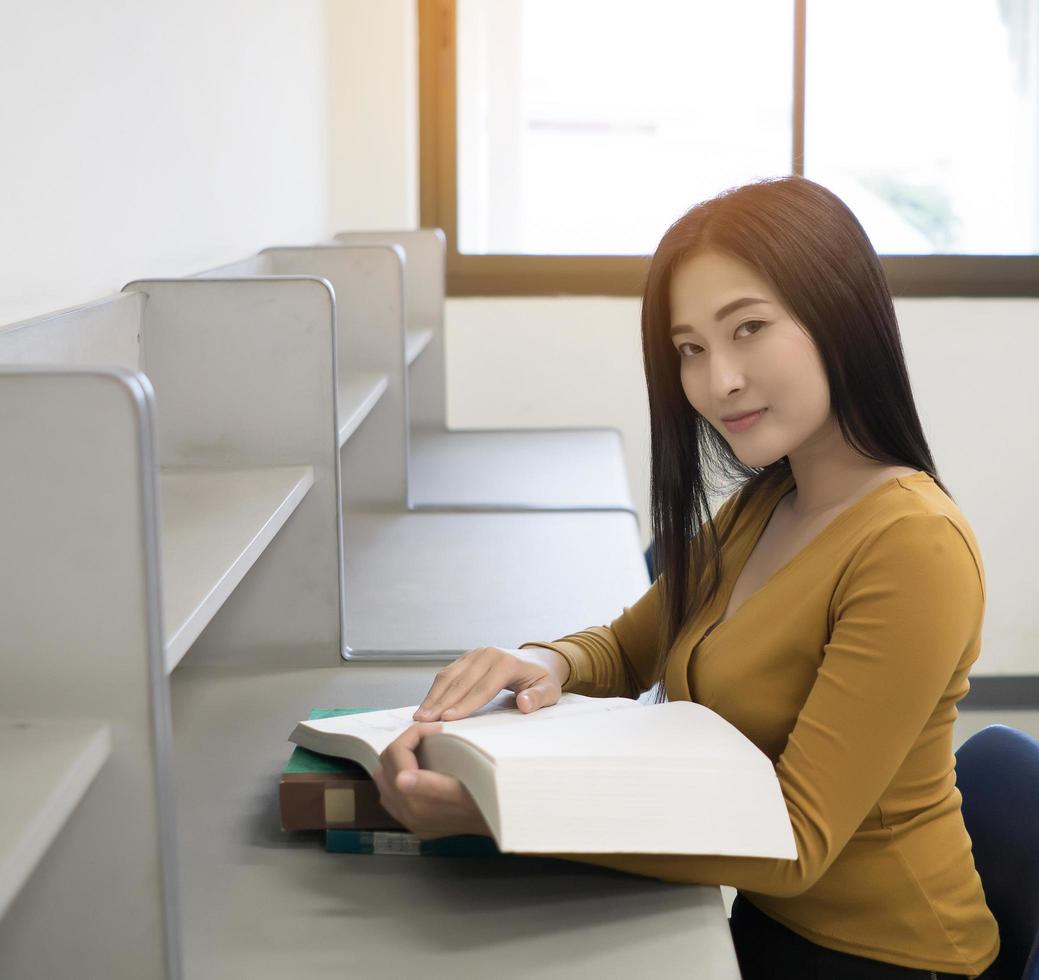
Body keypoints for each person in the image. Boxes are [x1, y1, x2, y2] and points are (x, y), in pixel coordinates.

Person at [369, 176, 1003, 979]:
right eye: (691, 349)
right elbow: (634, 647)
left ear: (841, 314)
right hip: (765, 926)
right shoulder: (771, 500)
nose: (718, 381)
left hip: (892, 957)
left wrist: (508, 814)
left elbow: (797, 839)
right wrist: (544, 664)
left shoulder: (914, 547)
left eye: (748, 329)